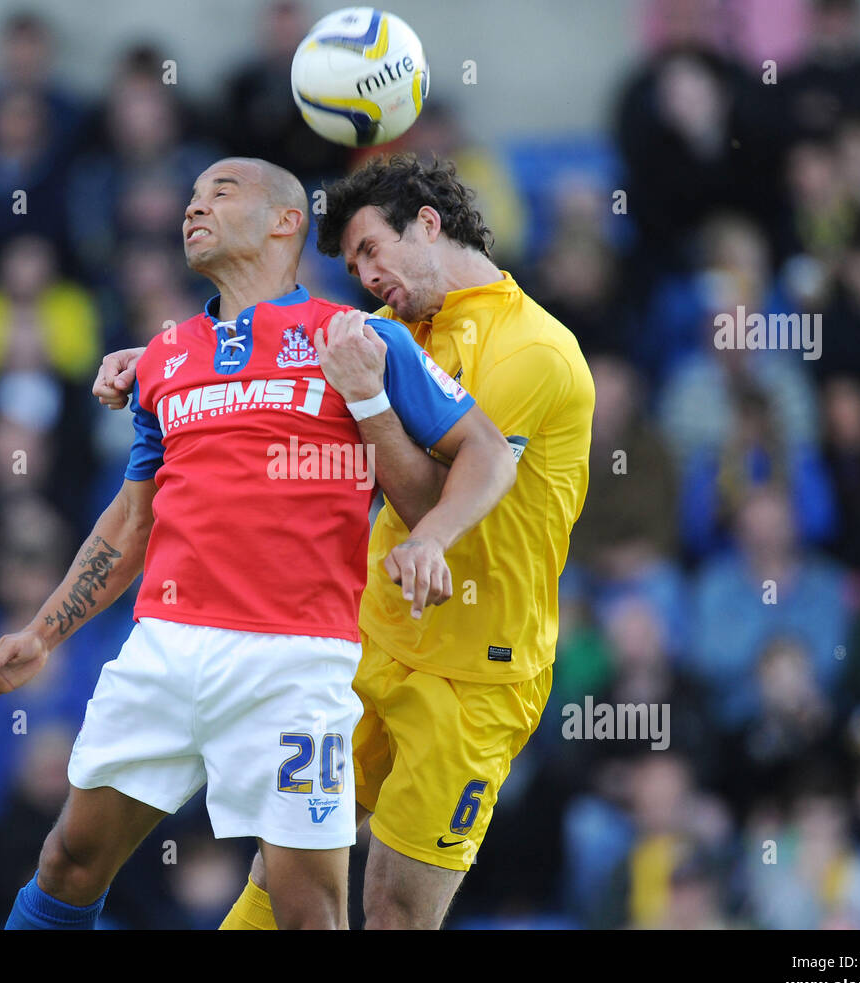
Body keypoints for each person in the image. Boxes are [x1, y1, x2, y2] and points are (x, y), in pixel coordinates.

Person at [0, 157, 517, 930]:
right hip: (165, 648)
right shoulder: (162, 358)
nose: (193, 208)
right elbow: (131, 520)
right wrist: (41, 633)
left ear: (285, 221)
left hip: (293, 665)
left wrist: (434, 538)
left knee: (307, 911)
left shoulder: (354, 340)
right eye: (188, 196)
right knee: (68, 863)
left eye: (219, 192)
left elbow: (489, 452)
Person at [98, 154, 595, 928]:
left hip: (475, 671)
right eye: (353, 261)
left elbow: (438, 484)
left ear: (428, 224)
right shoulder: (399, 328)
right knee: (283, 877)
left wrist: (368, 403)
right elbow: (287, 351)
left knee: (393, 909)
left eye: (371, 251)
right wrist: (166, 363)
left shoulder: (530, 351)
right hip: (368, 642)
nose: (363, 275)